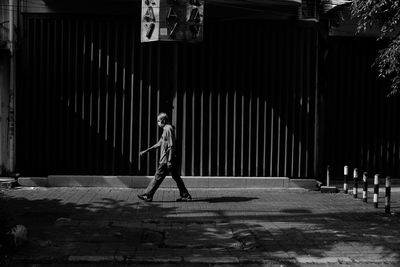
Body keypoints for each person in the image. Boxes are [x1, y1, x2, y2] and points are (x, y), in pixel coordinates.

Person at [137, 113, 192, 202]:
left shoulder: (168, 129)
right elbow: (159, 144)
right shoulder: (166, 129)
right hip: (168, 159)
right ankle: (185, 195)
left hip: (166, 159)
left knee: (158, 177)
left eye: (158, 121)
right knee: (176, 177)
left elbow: (171, 146)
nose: (158, 123)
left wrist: (169, 160)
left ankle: (148, 195)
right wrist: (146, 151)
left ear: (163, 120)